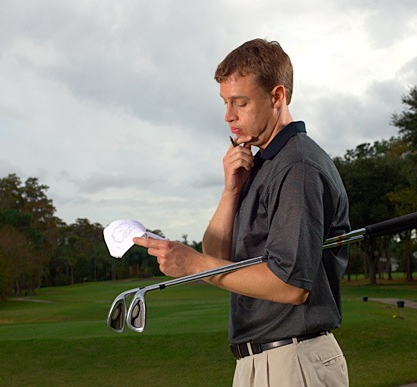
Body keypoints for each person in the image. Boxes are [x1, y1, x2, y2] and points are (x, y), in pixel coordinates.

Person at [134, 38, 350, 387]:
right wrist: (230, 190)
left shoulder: (298, 167)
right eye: (225, 102)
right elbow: (218, 258)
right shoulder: (262, 162)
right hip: (260, 360)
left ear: (277, 96)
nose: (228, 115)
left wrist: (193, 265)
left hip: (293, 361)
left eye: (241, 102)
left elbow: (291, 284)